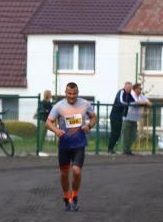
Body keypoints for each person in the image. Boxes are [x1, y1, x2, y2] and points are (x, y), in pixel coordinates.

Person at [46, 82, 97, 211]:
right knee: (64, 173)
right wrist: (56, 130)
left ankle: (74, 196)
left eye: (74, 93)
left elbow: (93, 118)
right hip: (64, 145)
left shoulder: (85, 104)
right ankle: (66, 197)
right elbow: (48, 122)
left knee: (76, 171)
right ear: (66, 93)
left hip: (79, 144)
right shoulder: (59, 106)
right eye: (69, 93)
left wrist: (89, 126)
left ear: (77, 93)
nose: (72, 96)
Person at [122, 83, 151, 155]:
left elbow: (150, 104)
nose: (141, 90)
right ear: (135, 89)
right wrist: (144, 103)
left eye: (141, 88)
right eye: (139, 88)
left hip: (135, 119)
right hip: (127, 118)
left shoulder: (142, 96)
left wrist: (144, 102)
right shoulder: (130, 95)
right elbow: (135, 103)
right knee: (126, 135)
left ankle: (128, 149)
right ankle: (125, 150)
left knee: (133, 136)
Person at [107, 81, 132, 153]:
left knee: (118, 133)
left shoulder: (129, 94)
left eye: (130, 88)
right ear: (125, 87)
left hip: (121, 116)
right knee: (114, 132)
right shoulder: (121, 92)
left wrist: (125, 115)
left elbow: (132, 102)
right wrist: (128, 104)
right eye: (128, 88)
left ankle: (112, 148)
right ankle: (110, 148)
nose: (129, 89)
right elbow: (120, 101)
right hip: (115, 115)